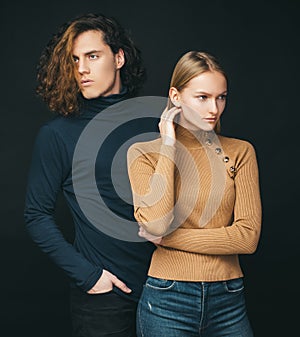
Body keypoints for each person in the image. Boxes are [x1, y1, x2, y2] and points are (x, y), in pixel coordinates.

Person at [24, 13, 156, 337]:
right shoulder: (58, 134)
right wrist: (89, 276)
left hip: (165, 293)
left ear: (119, 57)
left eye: (92, 56)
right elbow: (35, 215)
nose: (81, 69)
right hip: (104, 301)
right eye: (75, 60)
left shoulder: (155, 124)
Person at [127, 51, 262, 337]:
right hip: (167, 298)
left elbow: (247, 237)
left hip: (229, 297)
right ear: (176, 96)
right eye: (202, 97)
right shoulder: (143, 153)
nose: (214, 108)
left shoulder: (240, 152)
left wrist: (168, 239)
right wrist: (167, 144)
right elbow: (157, 222)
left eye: (221, 97)